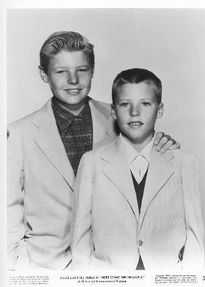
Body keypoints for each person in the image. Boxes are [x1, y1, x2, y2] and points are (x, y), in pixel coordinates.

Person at [7, 31, 179, 270]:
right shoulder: (18, 134)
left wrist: (162, 143)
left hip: (107, 264)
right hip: (45, 266)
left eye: (82, 70)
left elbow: (151, 178)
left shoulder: (122, 115)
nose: (73, 80)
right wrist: (15, 264)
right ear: (44, 74)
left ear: (92, 71)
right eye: (61, 72)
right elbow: (8, 207)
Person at [71, 68, 204, 271]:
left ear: (160, 110)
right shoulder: (92, 162)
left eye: (145, 104)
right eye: (125, 104)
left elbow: (194, 236)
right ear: (114, 112)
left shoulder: (184, 163)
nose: (135, 112)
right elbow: (80, 238)